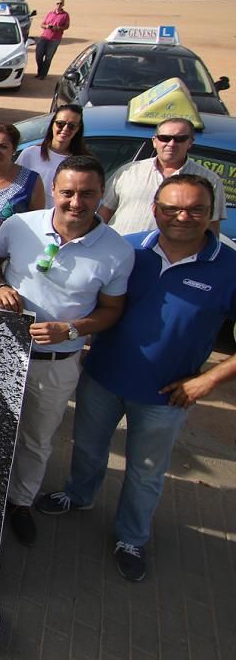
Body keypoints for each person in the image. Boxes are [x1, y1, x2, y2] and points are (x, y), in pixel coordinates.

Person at [34, 174, 236, 581]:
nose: (183, 217)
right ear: (155, 210)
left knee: (145, 471)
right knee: (88, 448)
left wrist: (208, 381)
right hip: (103, 375)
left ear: (211, 213)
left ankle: (132, 536)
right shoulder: (127, 249)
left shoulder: (229, 266)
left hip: (167, 393)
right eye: (173, 208)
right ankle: (79, 495)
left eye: (195, 209)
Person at [0, 156, 135, 547]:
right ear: (54, 190)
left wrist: (71, 328)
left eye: (87, 193)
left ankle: (20, 503)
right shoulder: (21, 225)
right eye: (68, 192)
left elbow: (111, 310)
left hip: (57, 363)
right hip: (2, 348)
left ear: (101, 194)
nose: (76, 202)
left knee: (37, 438)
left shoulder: (117, 251)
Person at [99, 117, 226, 235]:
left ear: (190, 142)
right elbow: (105, 212)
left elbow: (211, 227)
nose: (171, 144)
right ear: (155, 141)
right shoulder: (129, 171)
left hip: (169, 257)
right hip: (121, 251)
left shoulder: (209, 180)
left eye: (180, 139)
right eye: (164, 138)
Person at [16, 104, 89, 205]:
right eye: (60, 124)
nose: (65, 129)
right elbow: (13, 188)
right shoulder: (30, 153)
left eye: (72, 126)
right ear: (52, 124)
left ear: (78, 129)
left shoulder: (83, 162)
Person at [34, 0, 70, 80]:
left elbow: (67, 26)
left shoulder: (65, 15)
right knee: (38, 55)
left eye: (60, 3)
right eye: (57, 3)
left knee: (48, 57)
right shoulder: (50, 13)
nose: (59, 5)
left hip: (55, 39)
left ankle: (43, 74)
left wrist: (58, 28)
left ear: (63, 5)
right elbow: (42, 24)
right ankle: (40, 72)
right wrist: (47, 26)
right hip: (44, 37)